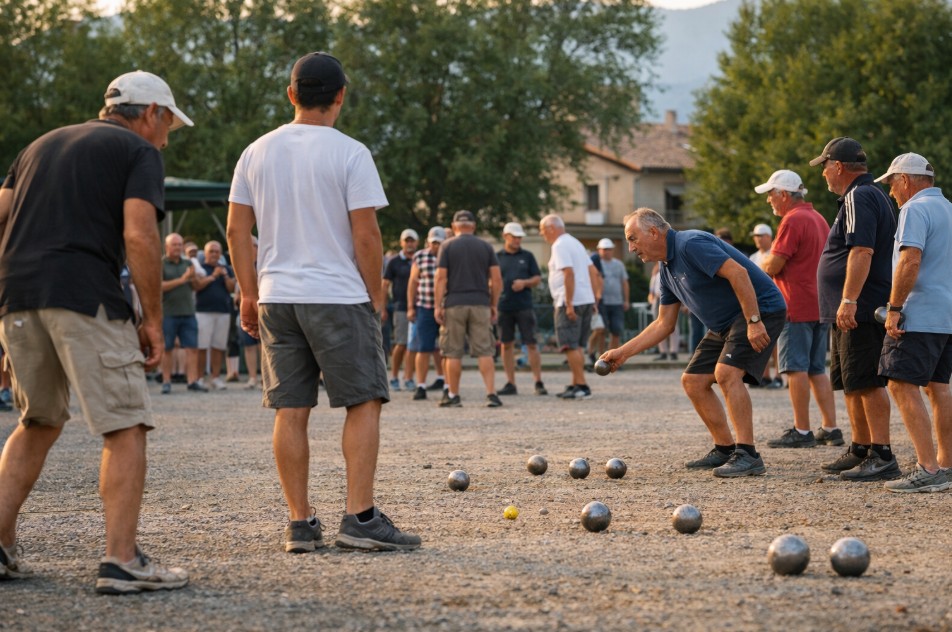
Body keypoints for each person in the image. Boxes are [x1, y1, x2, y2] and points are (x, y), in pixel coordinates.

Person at [0, 70, 191, 592]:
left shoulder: (38, 146)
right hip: (85, 294)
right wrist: (152, 321)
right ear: (150, 113)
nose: (167, 137)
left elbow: (2, 216)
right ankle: (121, 560)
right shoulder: (138, 152)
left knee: (37, 421)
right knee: (125, 424)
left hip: (18, 297)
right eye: (168, 124)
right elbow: (140, 234)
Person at [226, 51, 420, 553]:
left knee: (290, 409)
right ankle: (360, 518)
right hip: (337, 294)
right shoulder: (351, 153)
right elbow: (367, 235)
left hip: (276, 297)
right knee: (364, 400)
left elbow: (237, 231)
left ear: (291, 94)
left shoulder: (255, 152)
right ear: (340, 97)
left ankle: (299, 522)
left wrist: (248, 293)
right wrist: (375, 294)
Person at [602, 208, 787, 478]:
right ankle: (725, 449)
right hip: (725, 323)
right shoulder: (666, 269)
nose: (630, 248)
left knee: (726, 373)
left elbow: (738, 274)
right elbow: (664, 324)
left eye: (632, 239)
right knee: (693, 381)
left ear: (653, 232)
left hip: (760, 309)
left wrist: (754, 321)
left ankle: (748, 454)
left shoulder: (690, 244)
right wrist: (622, 353)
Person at [811, 137, 900, 482]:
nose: (823, 174)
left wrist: (849, 300)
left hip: (859, 308)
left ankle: (882, 453)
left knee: (866, 381)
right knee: (851, 380)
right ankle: (861, 447)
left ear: (838, 166)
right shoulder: (865, 194)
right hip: (852, 307)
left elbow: (862, 251)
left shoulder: (859, 196)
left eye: (824, 167)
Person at [875, 153, 952, 492]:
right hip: (946, 313)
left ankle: (927, 468)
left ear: (905, 180)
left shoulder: (914, 209)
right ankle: (946, 465)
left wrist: (894, 307)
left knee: (899, 383)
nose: (891, 192)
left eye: (892, 184)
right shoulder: (948, 208)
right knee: (939, 387)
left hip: (919, 312)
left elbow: (910, 260)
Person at [754, 169, 841, 450]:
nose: (769, 200)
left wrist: (762, 264)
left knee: (795, 368)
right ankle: (831, 428)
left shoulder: (792, 220)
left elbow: (774, 264)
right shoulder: (818, 218)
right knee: (817, 369)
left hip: (795, 304)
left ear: (783, 194)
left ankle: (802, 430)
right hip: (820, 303)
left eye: (771, 194)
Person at [434, 210, 503, 408]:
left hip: (454, 303)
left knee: (453, 352)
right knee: (485, 351)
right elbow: (496, 279)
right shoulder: (486, 246)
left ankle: (453, 395)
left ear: (454, 226)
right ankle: (491, 394)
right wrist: (493, 304)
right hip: (480, 303)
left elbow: (441, 278)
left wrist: (438, 305)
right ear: (473, 226)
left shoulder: (447, 246)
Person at [539, 214, 602, 400]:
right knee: (578, 346)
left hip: (570, 301)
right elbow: (593, 272)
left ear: (551, 228)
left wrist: (568, 304)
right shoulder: (576, 243)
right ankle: (575, 383)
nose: (542, 235)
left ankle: (582, 385)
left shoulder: (559, 245)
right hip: (585, 299)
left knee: (569, 346)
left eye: (542, 231)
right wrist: (594, 298)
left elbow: (568, 273)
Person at [495, 222, 546, 396]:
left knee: (531, 344)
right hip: (504, 306)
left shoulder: (528, 256)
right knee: (506, 345)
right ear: (505, 237)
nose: (517, 240)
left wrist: (524, 283)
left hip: (524, 306)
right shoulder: (497, 257)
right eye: (514, 237)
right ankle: (510, 383)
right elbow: (491, 280)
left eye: (519, 237)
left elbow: (537, 278)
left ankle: (538, 381)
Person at [160, 233, 205, 393]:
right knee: (167, 348)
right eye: (174, 244)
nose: (178, 247)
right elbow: (159, 286)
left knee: (192, 348)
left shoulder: (188, 263)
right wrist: (182, 279)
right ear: (166, 247)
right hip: (168, 313)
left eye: (180, 244)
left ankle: (192, 381)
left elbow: (196, 287)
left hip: (188, 312)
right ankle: (166, 381)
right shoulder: (161, 264)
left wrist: (193, 278)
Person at [408, 227, 446, 400]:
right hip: (425, 306)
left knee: (446, 349)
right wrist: (410, 306)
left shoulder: (449, 255)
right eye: (433, 243)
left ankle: (447, 384)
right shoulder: (420, 256)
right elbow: (413, 282)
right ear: (428, 242)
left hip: (445, 307)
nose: (436, 246)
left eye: (439, 242)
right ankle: (421, 385)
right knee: (423, 348)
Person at [194, 240, 236, 390]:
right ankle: (199, 378)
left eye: (217, 251)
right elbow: (197, 286)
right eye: (211, 251)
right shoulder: (200, 268)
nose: (214, 254)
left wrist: (225, 276)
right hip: (203, 312)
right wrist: (213, 275)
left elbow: (231, 288)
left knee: (219, 346)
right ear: (205, 253)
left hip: (223, 311)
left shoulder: (226, 269)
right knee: (202, 346)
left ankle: (215, 377)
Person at [383, 229, 418, 392]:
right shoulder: (394, 262)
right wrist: (383, 307)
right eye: (407, 241)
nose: (409, 244)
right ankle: (395, 376)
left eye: (412, 241)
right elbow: (385, 285)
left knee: (413, 346)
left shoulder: (420, 259)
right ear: (401, 243)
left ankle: (409, 377)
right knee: (401, 343)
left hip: (420, 306)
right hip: (400, 306)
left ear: (416, 243)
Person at [594, 238, 629, 354]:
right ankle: (601, 355)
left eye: (609, 249)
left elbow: (624, 282)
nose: (607, 252)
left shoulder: (619, 264)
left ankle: (613, 355)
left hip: (617, 302)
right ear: (599, 250)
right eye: (604, 249)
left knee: (616, 330)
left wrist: (626, 300)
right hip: (601, 302)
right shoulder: (595, 265)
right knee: (601, 330)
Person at [648, 262, 680, 361]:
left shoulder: (671, 270)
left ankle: (674, 351)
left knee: (673, 325)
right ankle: (663, 351)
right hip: (658, 299)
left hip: (670, 299)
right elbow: (651, 291)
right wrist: (652, 300)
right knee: (658, 326)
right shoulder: (655, 274)